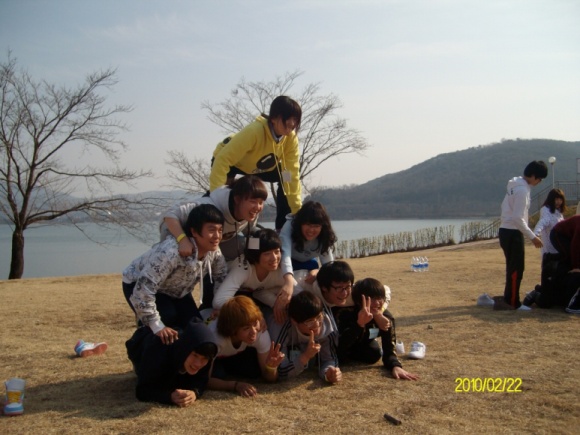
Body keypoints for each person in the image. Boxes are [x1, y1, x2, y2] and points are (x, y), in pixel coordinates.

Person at [122, 204, 227, 344]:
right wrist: (156, 326)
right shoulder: (171, 251)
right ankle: (140, 340)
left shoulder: (214, 252)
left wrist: (220, 306)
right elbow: (143, 289)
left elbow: (221, 276)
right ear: (194, 231)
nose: (217, 236)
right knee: (166, 326)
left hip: (178, 291)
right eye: (211, 230)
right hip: (138, 285)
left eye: (220, 230)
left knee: (196, 329)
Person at [160, 175, 269, 308]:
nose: (258, 207)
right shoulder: (209, 207)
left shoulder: (250, 213)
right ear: (237, 199)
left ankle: (239, 292)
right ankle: (203, 303)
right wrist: (182, 239)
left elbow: (249, 232)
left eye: (261, 202)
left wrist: (264, 249)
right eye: (253, 201)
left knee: (246, 250)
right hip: (179, 235)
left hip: (216, 240)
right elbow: (169, 215)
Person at [209, 95, 302, 231]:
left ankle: (282, 228)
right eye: (288, 119)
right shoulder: (254, 131)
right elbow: (223, 160)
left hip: (259, 167)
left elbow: (291, 173)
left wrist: (297, 210)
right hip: (231, 163)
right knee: (225, 197)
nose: (292, 124)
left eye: (295, 120)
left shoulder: (290, 139)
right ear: (274, 118)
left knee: (285, 177)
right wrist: (216, 199)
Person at [332, 278, 418, 381]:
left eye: (379, 298)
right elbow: (339, 345)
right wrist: (359, 324)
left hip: (363, 345)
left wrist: (395, 366)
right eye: (371, 299)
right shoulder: (345, 312)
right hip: (341, 347)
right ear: (359, 301)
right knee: (339, 357)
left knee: (373, 354)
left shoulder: (385, 317)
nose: (377, 303)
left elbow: (389, 350)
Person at [125, 319, 218, 407]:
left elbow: (201, 381)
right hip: (145, 347)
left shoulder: (207, 356)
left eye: (204, 358)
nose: (198, 363)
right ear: (185, 349)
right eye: (195, 355)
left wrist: (194, 392)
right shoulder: (158, 352)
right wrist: (169, 397)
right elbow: (143, 390)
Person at [212, 228, 296, 324]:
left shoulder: (279, 271)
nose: (274, 258)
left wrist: (279, 303)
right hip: (216, 287)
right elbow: (219, 301)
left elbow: (298, 290)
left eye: (277, 252)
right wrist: (253, 313)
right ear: (255, 255)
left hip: (251, 294)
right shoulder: (244, 268)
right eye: (267, 254)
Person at [207, 296, 285, 398]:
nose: (253, 332)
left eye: (255, 323)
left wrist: (271, 368)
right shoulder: (215, 339)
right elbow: (204, 380)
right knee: (218, 374)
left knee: (254, 371)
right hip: (213, 353)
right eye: (246, 328)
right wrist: (235, 385)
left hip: (229, 355)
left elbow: (268, 378)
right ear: (232, 330)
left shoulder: (260, 331)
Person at [496, 160, 547, 310]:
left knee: (512, 267)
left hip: (506, 230)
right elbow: (517, 218)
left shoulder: (515, 185)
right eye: (539, 179)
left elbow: (507, 208)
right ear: (533, 176)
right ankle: (513, 302)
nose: (539, 182)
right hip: (513, 231)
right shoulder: (522, 190)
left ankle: (509, 297)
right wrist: (533, 237)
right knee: (516, 268)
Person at [269, 291, 341, 383]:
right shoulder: (282, 328)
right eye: (310, 322)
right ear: (294, 321)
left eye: (319, 317)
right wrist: (306, 356)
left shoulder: (326, 324)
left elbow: (329, 359)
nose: (317, 324)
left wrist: (329, 373)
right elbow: (281, 372)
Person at [279, 201, 337, 295]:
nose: (311, 230)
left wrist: (318, 272)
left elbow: (328, 265)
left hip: (309, 264)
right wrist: (288, 280)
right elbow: (285, 254)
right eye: (308, 224)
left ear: (322, 227)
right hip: (287, 263)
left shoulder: (324, 235)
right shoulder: (290, 226)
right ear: (300, 223)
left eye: (316, 226)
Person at [524, 189, 567, 307]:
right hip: (549, 251)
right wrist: (535, 235)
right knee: (549, 275)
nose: (558, 202)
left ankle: (543, 290)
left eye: (560, 199)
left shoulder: (558, 212)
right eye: (556, 199)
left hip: (558, 250)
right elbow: (542, 223)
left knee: (556, 276)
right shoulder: (546, 211)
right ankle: (537, 294)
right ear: (551, 199)